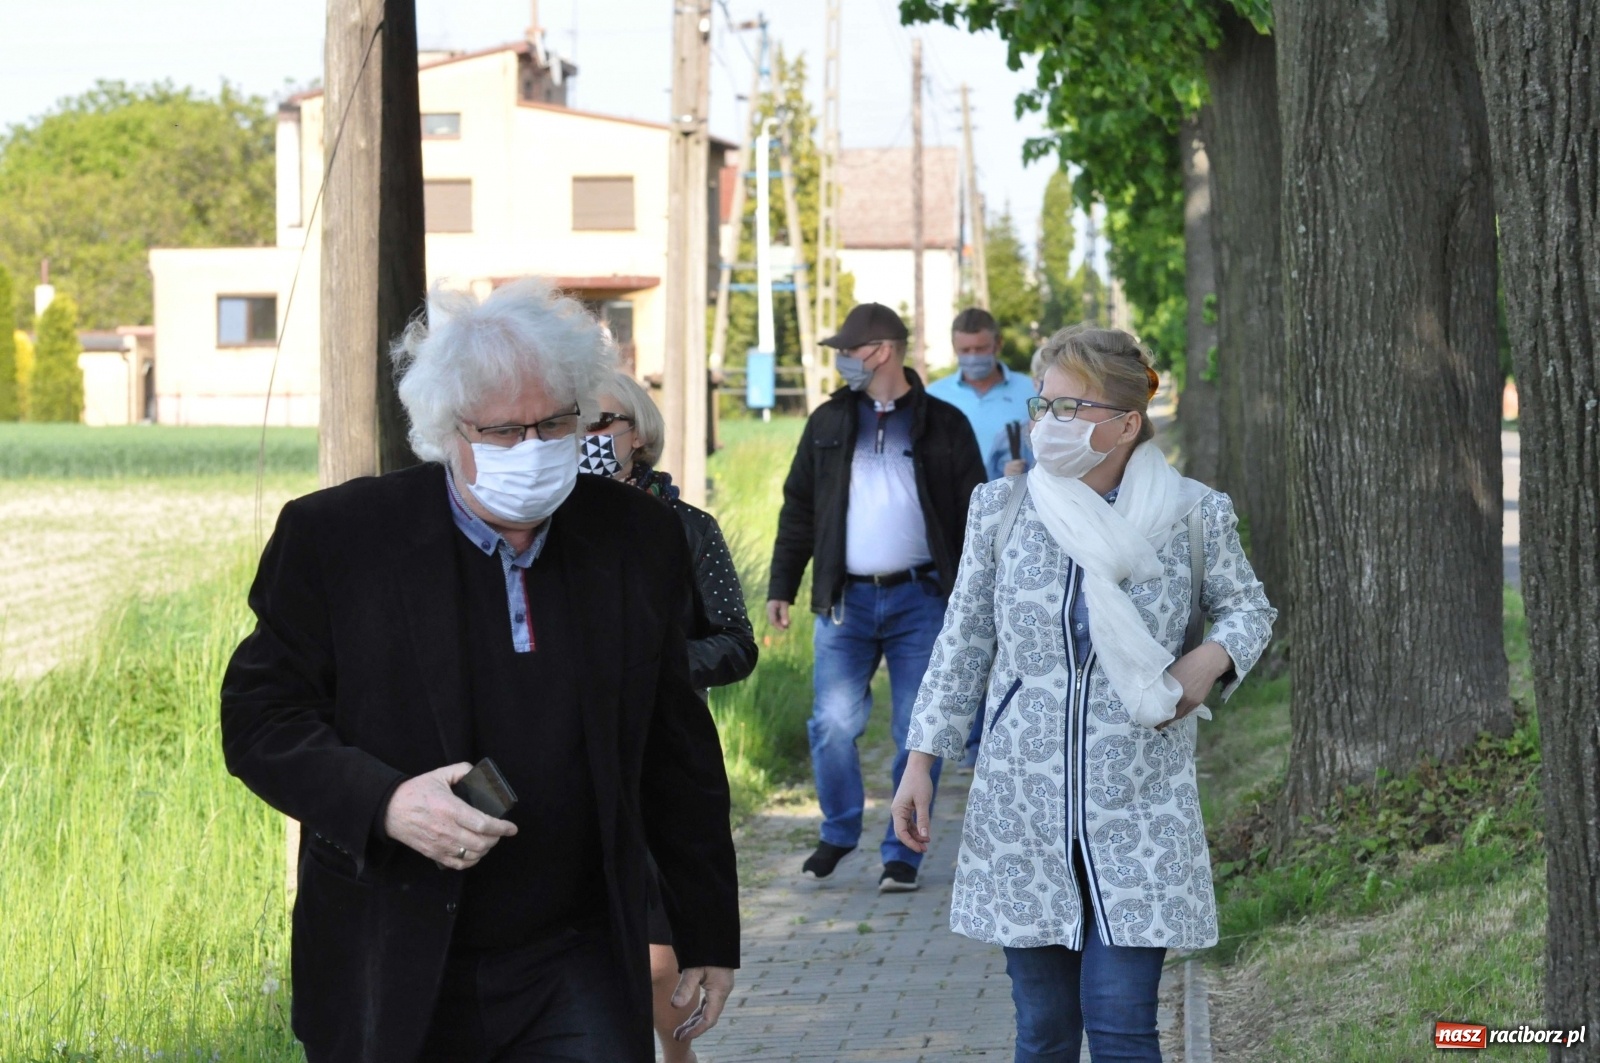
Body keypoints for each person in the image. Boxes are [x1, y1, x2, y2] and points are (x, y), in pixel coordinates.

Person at [220, 280, 740, 1063]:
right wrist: (386, 800)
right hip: (393, 947)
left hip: (576, 953)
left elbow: (677, 745)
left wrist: (705, 926)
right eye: (502, 431)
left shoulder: (636, 539)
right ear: (445, 430)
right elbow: (259, 721)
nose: (532, 448)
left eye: (555, 422)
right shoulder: (340, 539)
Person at [891, 324, 1276, 1063]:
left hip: (1141, 802)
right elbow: (964, 639)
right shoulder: (1002, 510)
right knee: (1043, 1031)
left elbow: (1248, 608)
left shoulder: (1193, 512)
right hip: (1022, 808)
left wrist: (1209, 660)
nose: (1049, 423)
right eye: (1043, 405)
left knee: (1123, 1023)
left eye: (1071, 408)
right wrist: (921, 759)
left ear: (1127, 423)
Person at [766, 301, 986, 892]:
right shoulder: (828, 423)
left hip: (923, 599)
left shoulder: (945, 424)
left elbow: (975, 515)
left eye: (847, 351)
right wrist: (782, 585)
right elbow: (800, 508)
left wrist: (980, 599)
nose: (841, 362)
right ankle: (838, 831)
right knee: (832, 724)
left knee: (919, 729)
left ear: (881, 350)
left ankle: (902, 853)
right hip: (846, 601)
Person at [579, 369, 757, 1063]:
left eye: (607, 423)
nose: (593, 438)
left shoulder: (684, 528)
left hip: (659, 755)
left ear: (639, 434)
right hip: (567, 761)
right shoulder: (546, 527)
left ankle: (676, 1054)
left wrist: (654, 666)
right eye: (579, 423)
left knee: (660, 959)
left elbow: (736, 642)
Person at [925, 307, 1039, 480]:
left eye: (980, 349)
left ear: (998, 344)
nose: (973, 357)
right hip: (955, 502)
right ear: (954, 348)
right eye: (965, 350)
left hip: (1015, 498)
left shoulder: (1031, 390)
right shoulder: (933, 396)